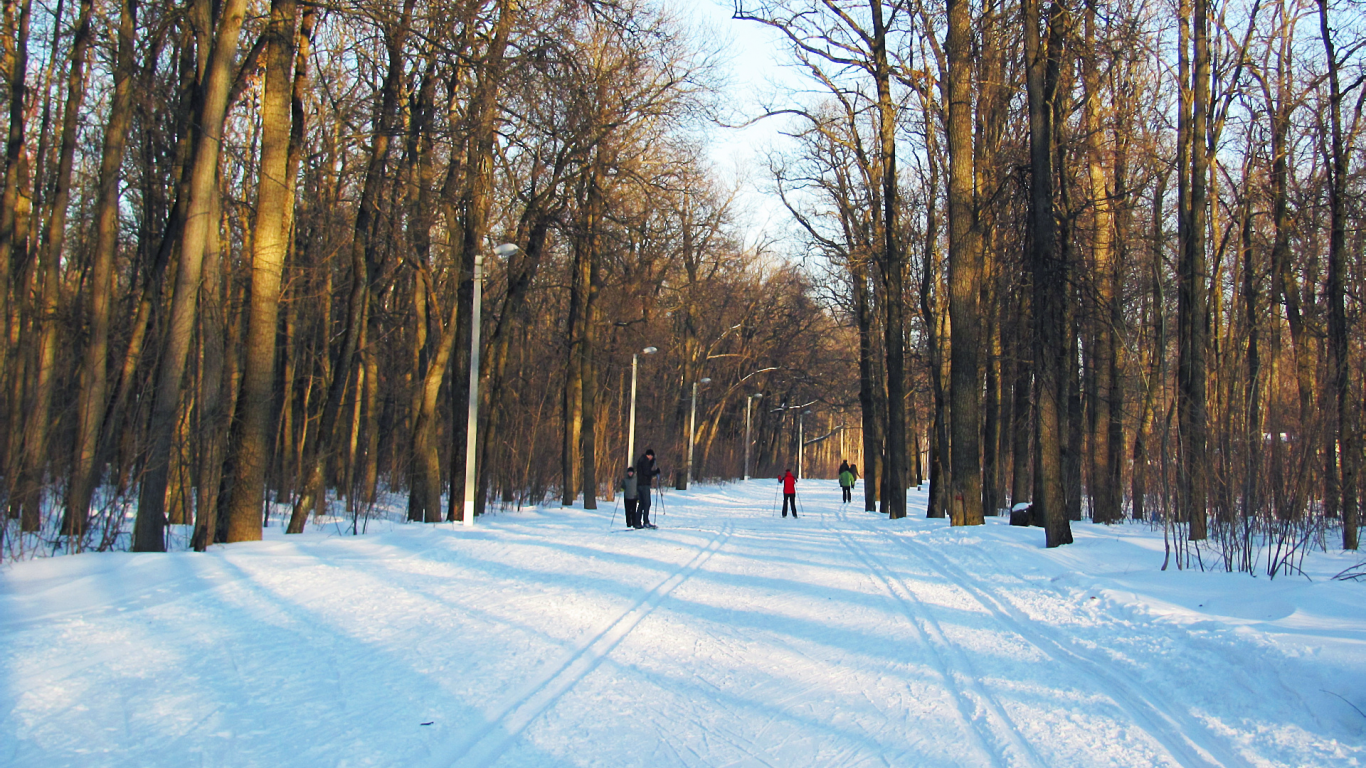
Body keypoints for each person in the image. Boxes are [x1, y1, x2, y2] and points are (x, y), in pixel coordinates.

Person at [635, 448, 661, 529]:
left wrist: (652, 462)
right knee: (647, 503)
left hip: (640, 484)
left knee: (642, 504)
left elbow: (647, 468)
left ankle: (637, 522)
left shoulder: (642, 460)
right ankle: (645, 521)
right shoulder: (644, 461)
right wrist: (655, 472)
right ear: (649, 456)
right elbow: (647, 472)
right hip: (644, 485)